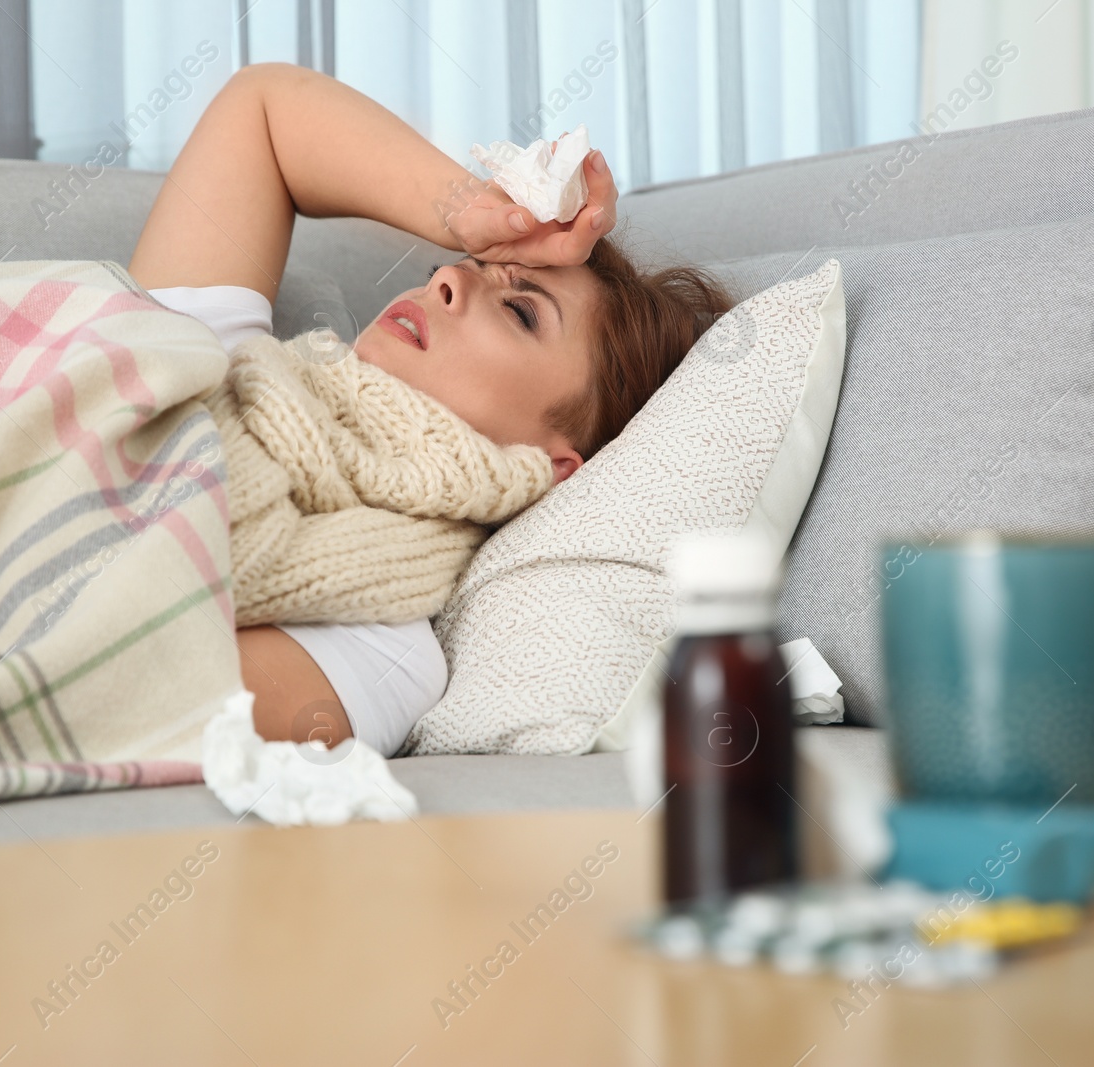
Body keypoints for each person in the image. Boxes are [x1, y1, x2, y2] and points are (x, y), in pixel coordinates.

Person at [128, 62, 733, 757]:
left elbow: (126, 693)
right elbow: (261, 110)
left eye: (518, 310)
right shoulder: (215, 359)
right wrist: (473, 213)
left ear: (555, 465)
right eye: (465, 264)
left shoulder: (378, 649)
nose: (446, 277)